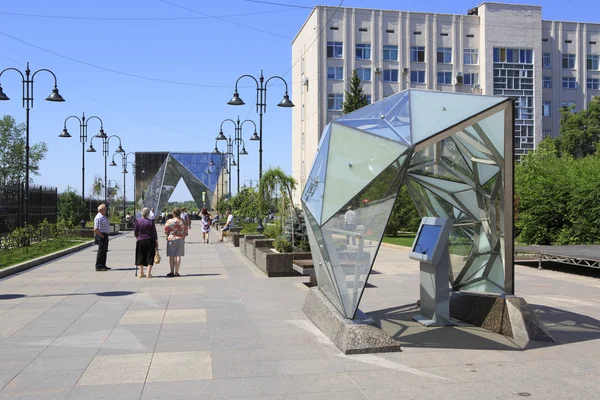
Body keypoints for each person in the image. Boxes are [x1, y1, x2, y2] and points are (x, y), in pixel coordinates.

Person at [134, 207, 158, 278]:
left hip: (140, 240)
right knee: (150, 256)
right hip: (150, 240)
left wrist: (138, 238)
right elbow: (154, 233)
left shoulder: (138, 221)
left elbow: (135, 232)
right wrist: (156, 241)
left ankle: (141, 272)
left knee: (140, 256)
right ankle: (148, 273)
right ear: (148, 214)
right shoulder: (151, 222)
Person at [164, 207, 188, 277]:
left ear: (173, 213)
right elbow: (186, 231)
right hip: (180, 239)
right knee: (178, 256)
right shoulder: (183, 221)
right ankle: (177, 272)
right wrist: (183, 236)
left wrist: (169, 234)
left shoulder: (169, 221)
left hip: (171, 239)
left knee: (171, 256)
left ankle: (171, 271)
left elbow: (165, 231)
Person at [93, 204, 111, 271]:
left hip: (105, 235)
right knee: (101, 251)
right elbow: (95, 229)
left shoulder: (103, 216)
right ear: (101, 210)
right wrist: (101, 235)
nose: (106, 210)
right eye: (104, 209)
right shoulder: (98, 218)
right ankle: (98, 265)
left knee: (104, 251)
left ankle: (103, 264)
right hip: (101, 235)